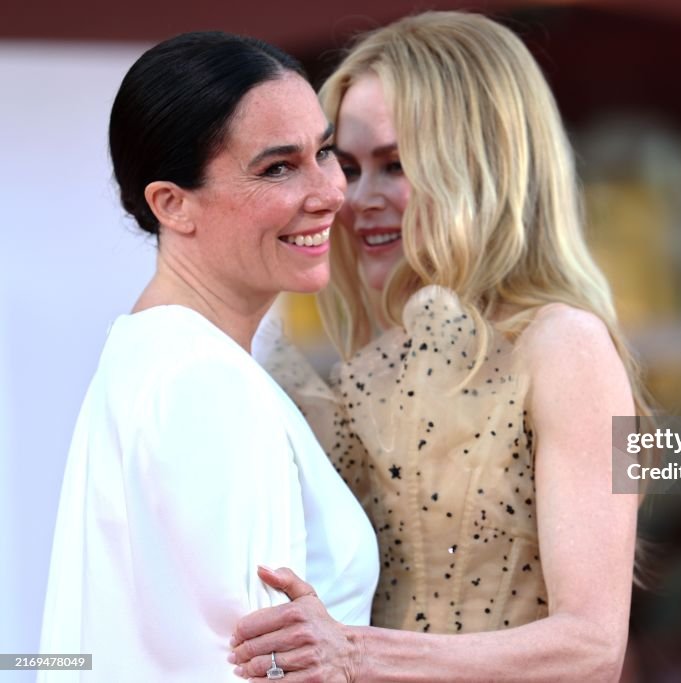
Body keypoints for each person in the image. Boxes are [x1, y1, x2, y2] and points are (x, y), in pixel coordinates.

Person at [232, 11, 647, 681]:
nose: (356, 197)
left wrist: (353, 650)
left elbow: (592, 647)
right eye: (348, 166)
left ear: (480, 168)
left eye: (394, 165)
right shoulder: (370, 358)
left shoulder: (565, 343)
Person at [38, 31, 378, 682]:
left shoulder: (152, 356)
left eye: (325, 151)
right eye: (279, 167)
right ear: (172, 203)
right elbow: (261, 668)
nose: (331, 190)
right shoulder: (205, 379)